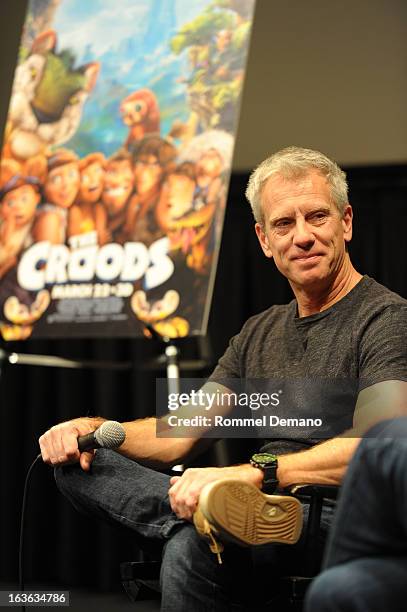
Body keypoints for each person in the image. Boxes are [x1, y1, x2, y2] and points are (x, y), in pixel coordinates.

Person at [39, 147, 407, 611]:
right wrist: (91, 430)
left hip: (328, 515)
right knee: (76, 465)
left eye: (317, 217)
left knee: (191, 548)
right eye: (283, 224)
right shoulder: (258, 331)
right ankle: (202, 516)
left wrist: (253, 475)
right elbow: (179, 434)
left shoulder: (387, 319)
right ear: (263, 239)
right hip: (246, 503)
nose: (303, 237)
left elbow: (379, 449)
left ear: (346, 222)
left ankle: (208, 519)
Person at [304, 416, 407, 612]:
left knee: (386, 439)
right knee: (337, 591)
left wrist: (267, 471)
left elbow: (379, 433)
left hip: (327, 500)